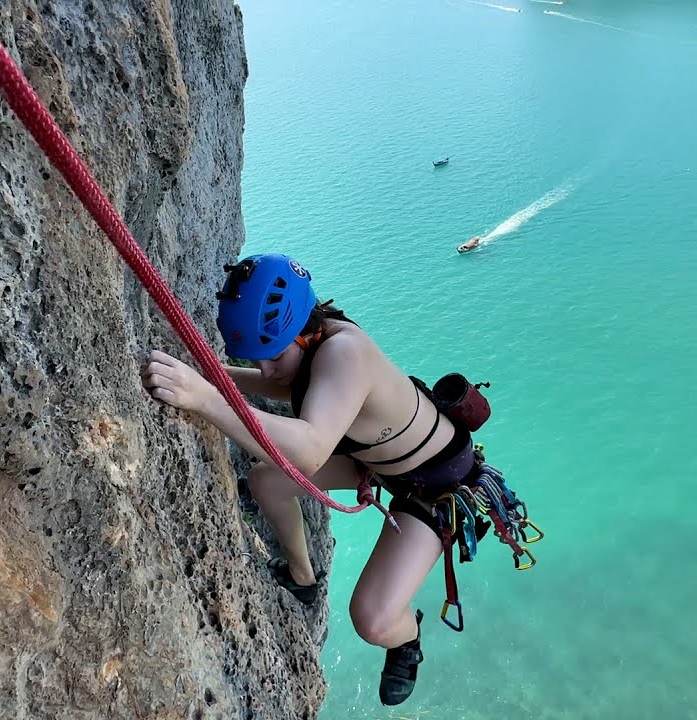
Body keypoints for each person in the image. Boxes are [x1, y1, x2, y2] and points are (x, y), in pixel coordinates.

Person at [143, 253, 485, 706]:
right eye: (256, 359)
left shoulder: (344, 352)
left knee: (373, 620)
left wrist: (205, 397)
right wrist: (219, 375)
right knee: (269, 481)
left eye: (273, 355)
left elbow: (309, 447)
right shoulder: (314, 340)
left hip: (437, 488)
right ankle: (304, 578)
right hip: (382, 462)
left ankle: (409, 637)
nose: (265, 368)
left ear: (303, 334)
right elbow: (288, 385)